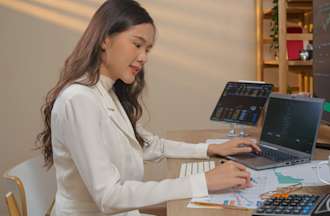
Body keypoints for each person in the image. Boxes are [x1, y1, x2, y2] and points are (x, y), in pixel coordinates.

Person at [37, 0, 260, 215]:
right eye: (137, 44)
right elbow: (109, 197)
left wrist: (209, 150)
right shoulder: (79, 100)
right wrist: (203, 181)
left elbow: (150, 145)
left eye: (148, 49)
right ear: (105, 39)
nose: (143, 57)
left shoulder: (108, 93)